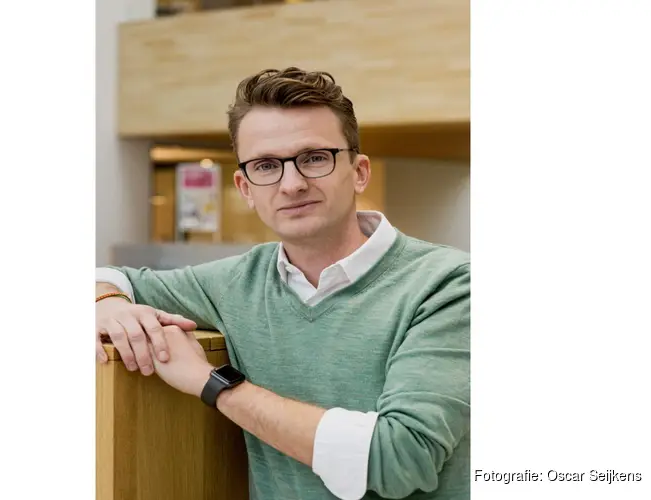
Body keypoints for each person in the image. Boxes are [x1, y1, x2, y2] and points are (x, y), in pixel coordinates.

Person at [95, 67, 470, 500]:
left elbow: (400, 459)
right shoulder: (236, 281)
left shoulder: (448, 284)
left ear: (359, 171)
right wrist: (107, 302)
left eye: (314, 158)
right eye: (266, 166)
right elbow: (110, 278)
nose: (292, 184)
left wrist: (213, 383)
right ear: (245, 187)